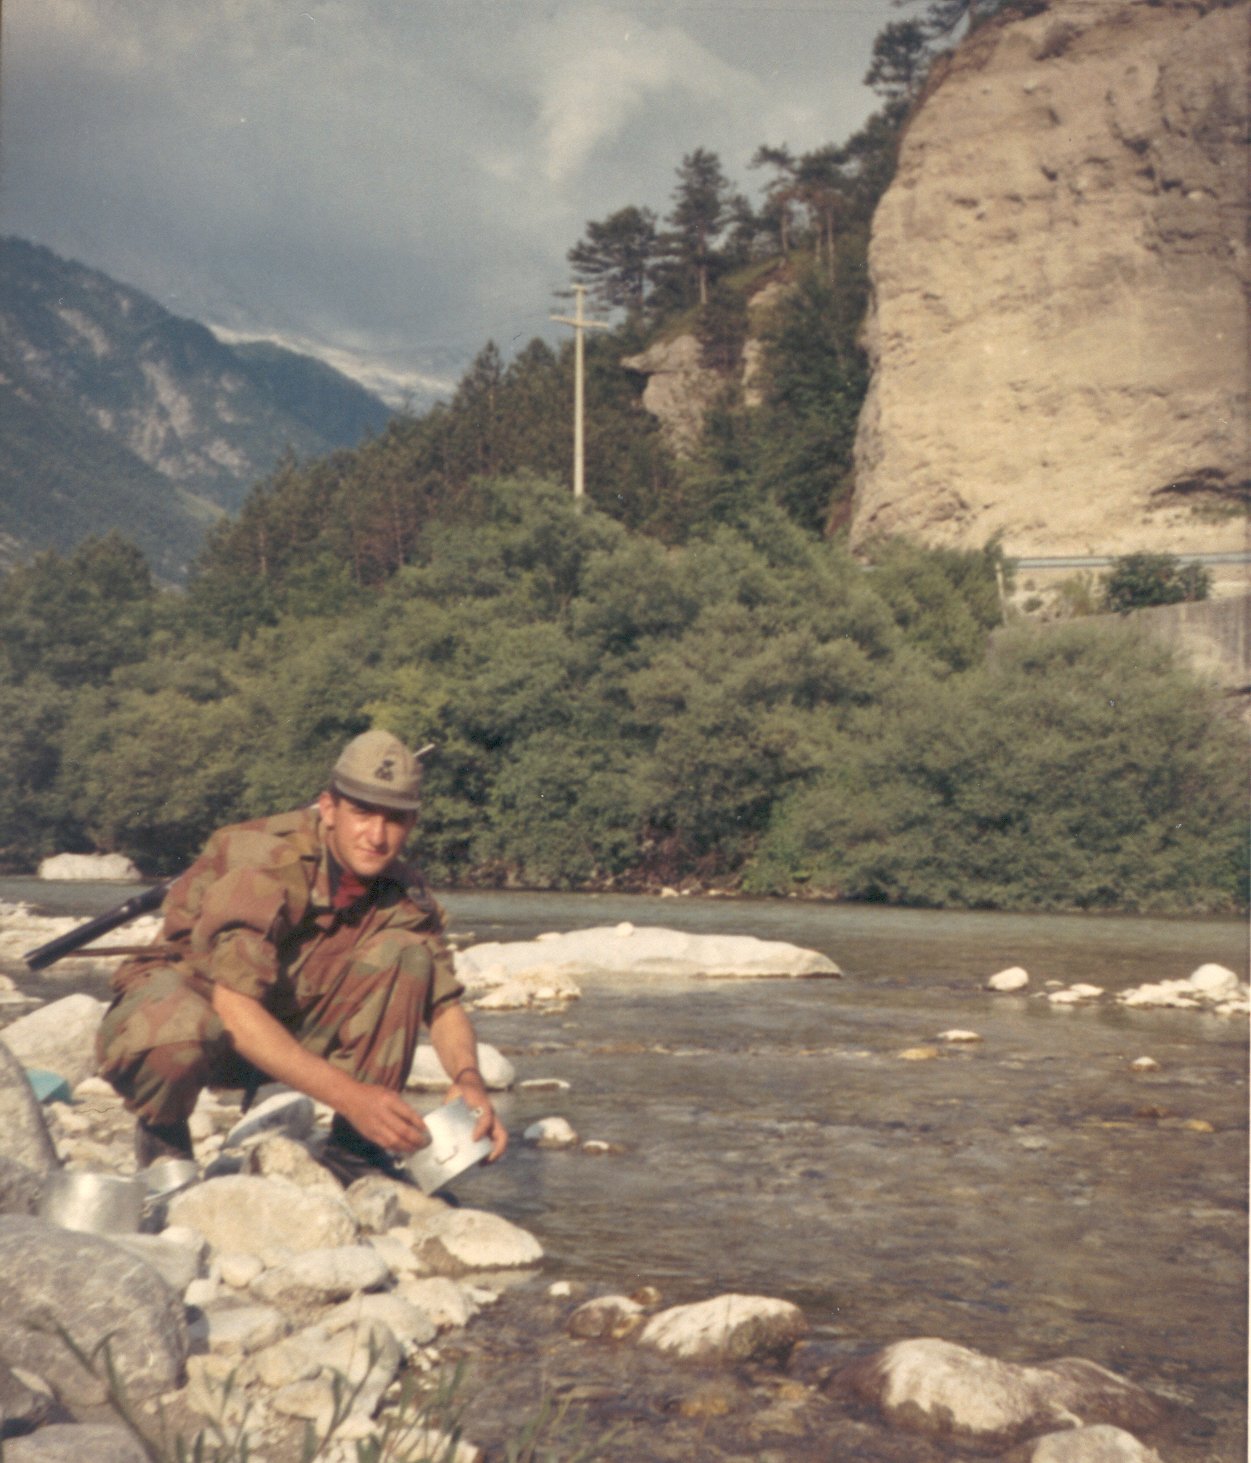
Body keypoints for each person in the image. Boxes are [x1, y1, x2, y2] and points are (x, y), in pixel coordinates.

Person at [95, 729, 507, 1185]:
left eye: (395, 819)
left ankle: (355, 1154)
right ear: (329, 808)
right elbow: (232, 1006)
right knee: (173, 1025)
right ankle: (164, 1138)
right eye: (362, 813)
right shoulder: (267, 862)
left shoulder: (403, 892)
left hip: (284, 1023)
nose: (376, 835)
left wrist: (470, 1080)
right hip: (206, 1021)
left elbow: (444, 1004)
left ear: (412, 823)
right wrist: (352, 1095)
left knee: (408, 956)